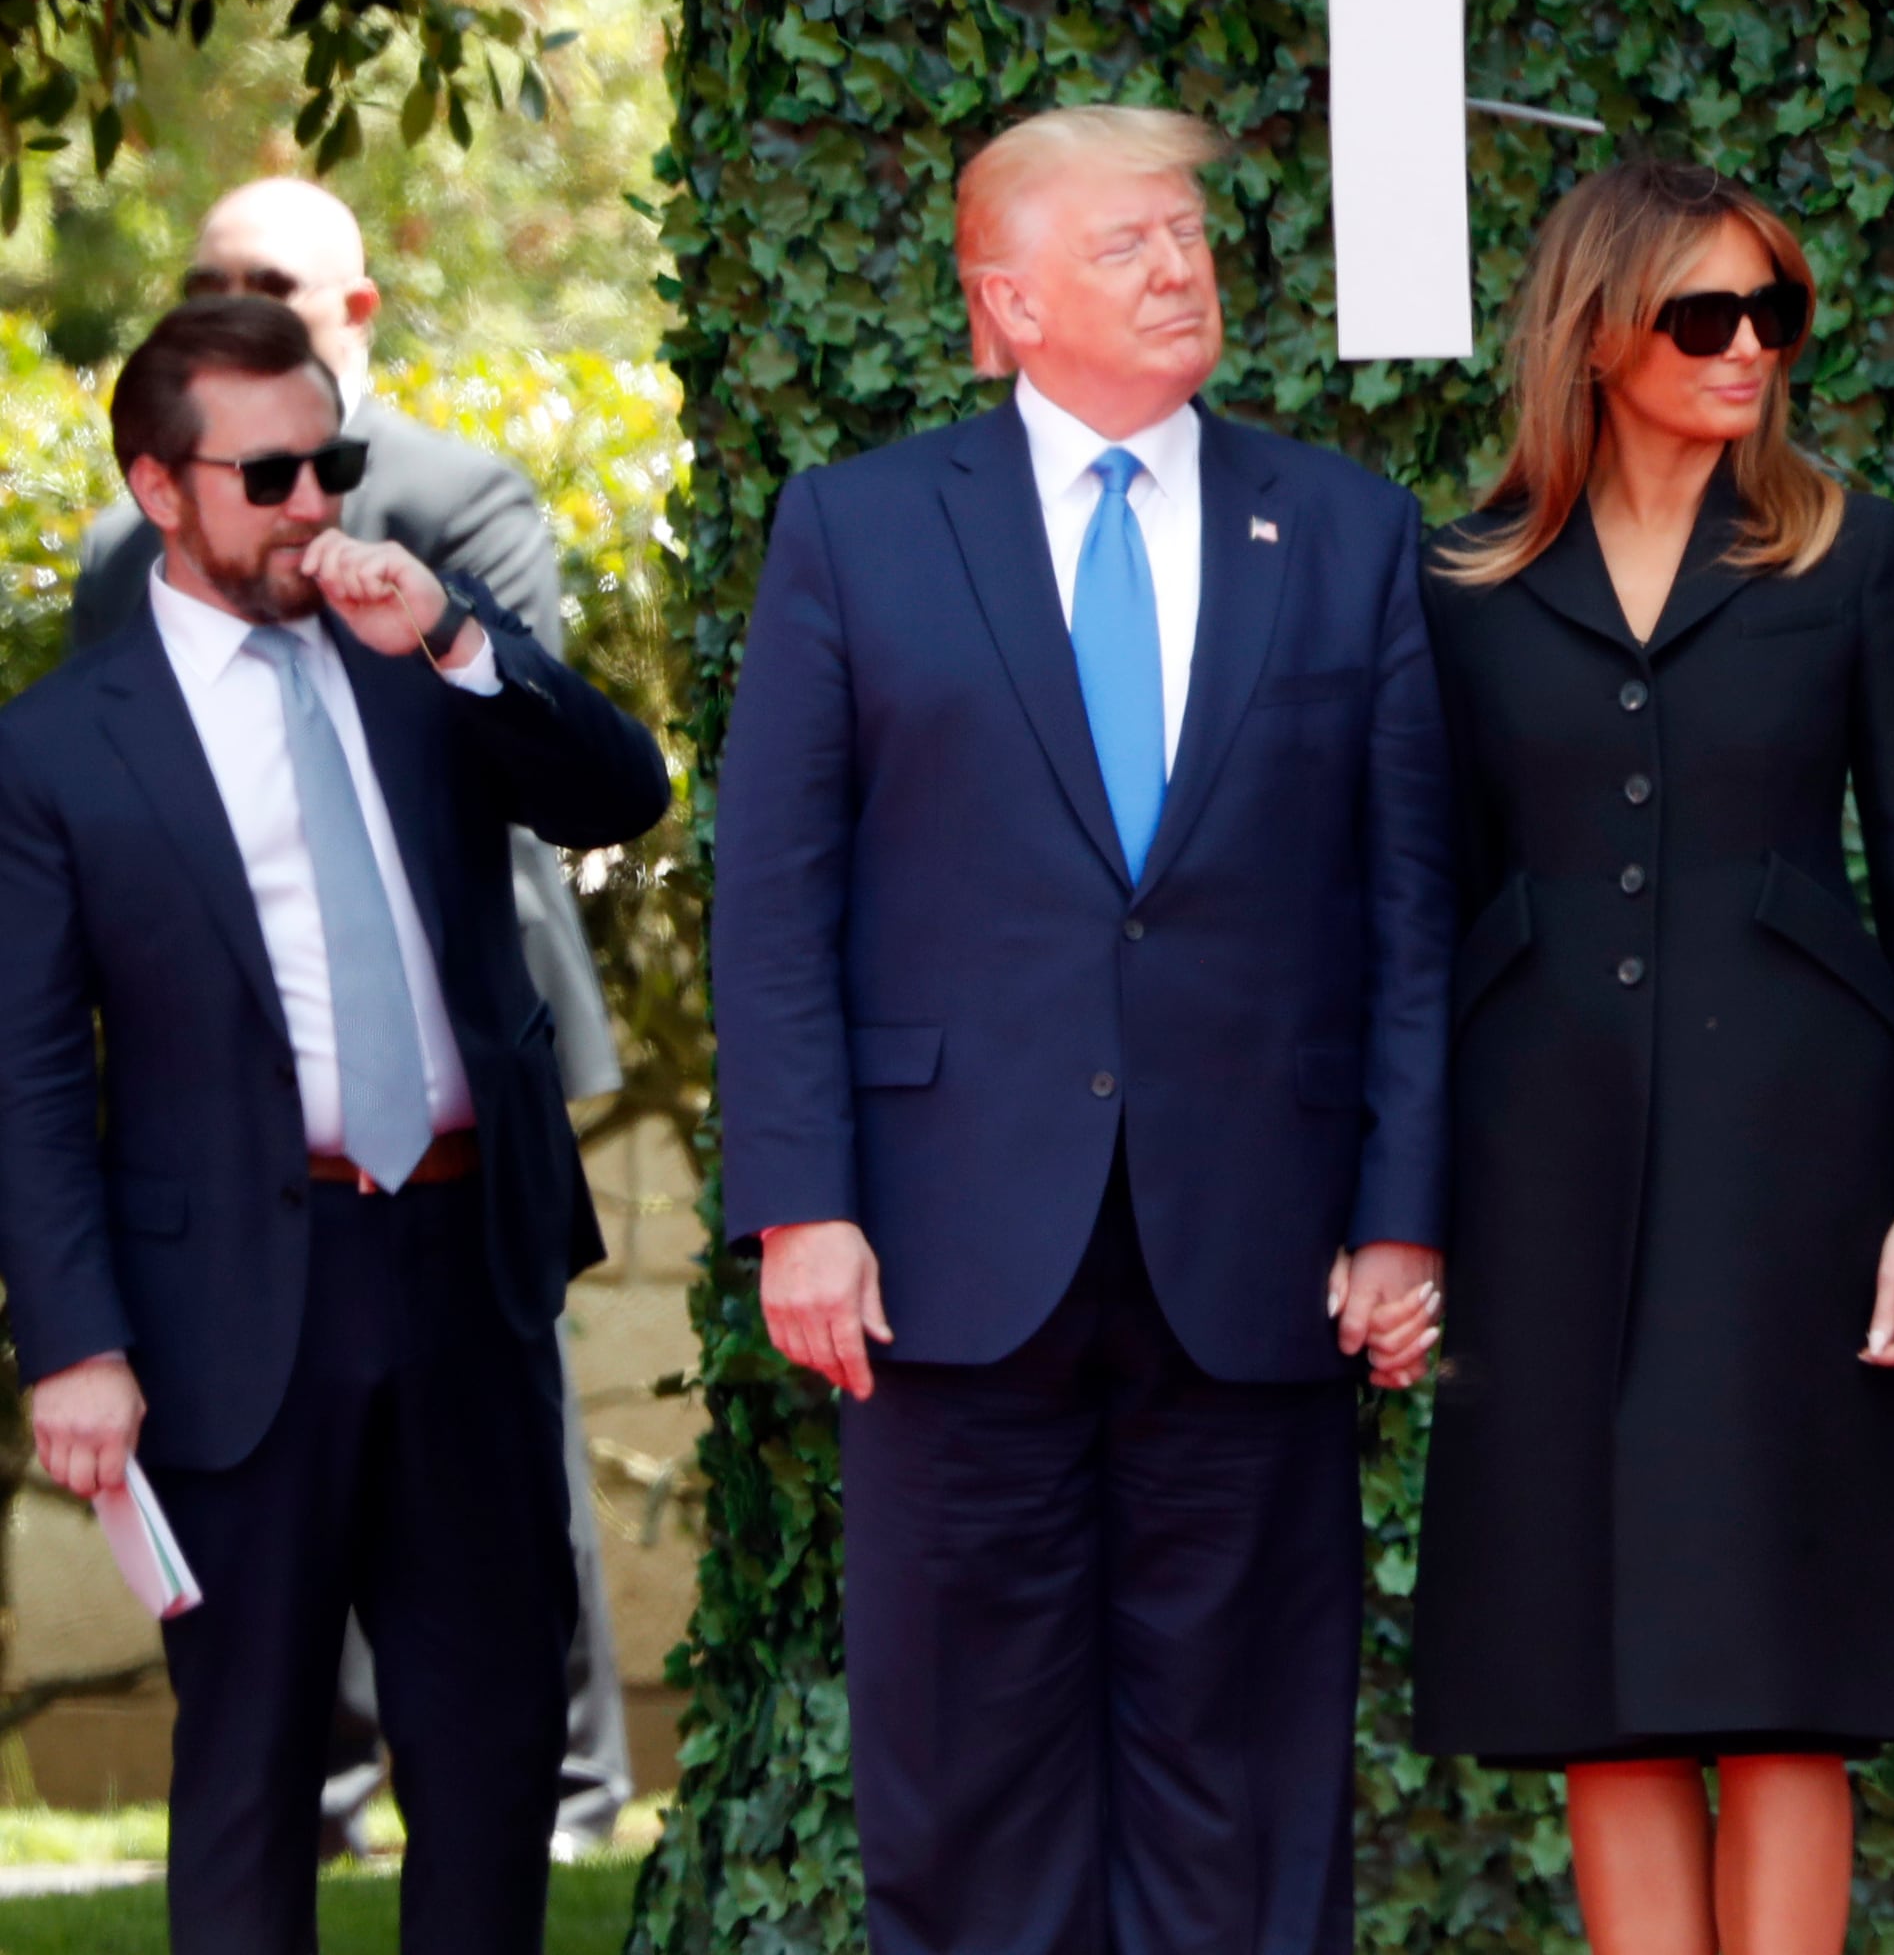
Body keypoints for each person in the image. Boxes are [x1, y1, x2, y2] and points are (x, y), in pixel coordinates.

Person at [712, 104, 1454, 1955]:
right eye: (1125, 242)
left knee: (1252, 1782)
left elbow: (1413, 908)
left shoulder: (1347, 528)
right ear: (1007, 300)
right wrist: (801, 1204)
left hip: (1263, 1254)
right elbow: (778, 898)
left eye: (1191, 231)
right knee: (966, 1788)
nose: (1181, 265)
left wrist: (1402, 1212)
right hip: (947, 1257)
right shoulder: (861, 528)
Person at [0, 298, 671, 1954]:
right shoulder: (59, 751)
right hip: (228, 1302)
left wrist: (456, 642)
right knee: (250, 1769)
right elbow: (25, 1072)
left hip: (465, 1269)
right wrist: (71, 1341)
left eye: (337, 461)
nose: (317, 503)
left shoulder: (417, 652)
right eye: (275, 472)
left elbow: (621, 792)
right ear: (161, 488)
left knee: (497, 1753)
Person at [1408, 160, 1894, 1955]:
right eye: (1705, 317)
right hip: (1542, 1165)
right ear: (1596, 336)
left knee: (1784, 1659)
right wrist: (1407, 1209)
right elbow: (1427, 900)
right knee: (1590, 1660)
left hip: (1799, 1169)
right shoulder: (1464, 582)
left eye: (1775, 313)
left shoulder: (1849, 552)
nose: (1750, 349)